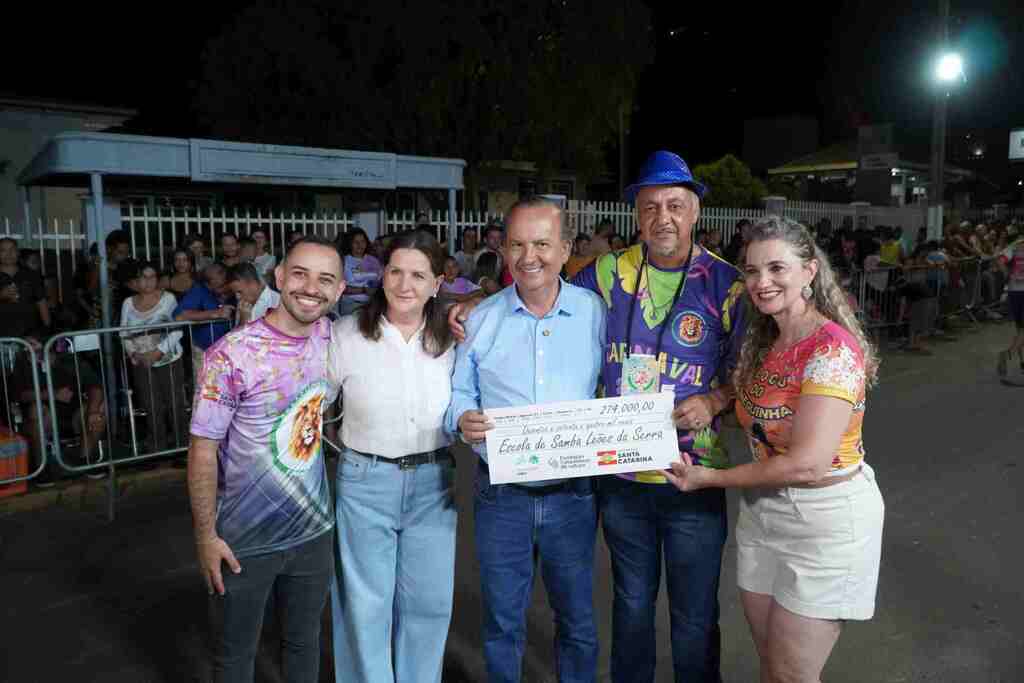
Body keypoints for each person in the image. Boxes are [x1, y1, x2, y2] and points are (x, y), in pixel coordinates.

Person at [448, 153, 747, 682]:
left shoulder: (729, 285)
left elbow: (751, 369)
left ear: (696, 210)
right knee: (630, 609)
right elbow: (538, 288)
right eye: (650, 206)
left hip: (694, 476)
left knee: (695, 616)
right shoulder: (606, 274)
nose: (663, 218)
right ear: (636, 213)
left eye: (675, 205)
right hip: (621, 477)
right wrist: (477, 299)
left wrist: (717, 400)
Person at [664, 215, 885, 683]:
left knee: (792, 675)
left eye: (777, 268)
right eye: (752, 270)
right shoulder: (768, 339)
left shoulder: (833, 351)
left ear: (809, 272)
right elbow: (752, 397)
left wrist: (711, 479)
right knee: (773, 667)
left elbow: (807, 465)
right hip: (765, 516)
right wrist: (715, 399)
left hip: (825, 521)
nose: (762, 282)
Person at [445, 197, 606, 683]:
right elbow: (459, 390)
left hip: (573, 495)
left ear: (564, 249)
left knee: (577, 623)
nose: (528, 256)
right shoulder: (481, 318)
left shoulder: (594, 313)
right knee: (502, 624)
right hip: (501, 496)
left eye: (541, 243)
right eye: (517, 244)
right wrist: (461, 418)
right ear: (503, 248)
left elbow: (614, 384)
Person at [187, 235, 345, 683]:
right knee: (236, 656)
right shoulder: (232, 355)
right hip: (243, 541)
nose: (311, 287)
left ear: (338, 290)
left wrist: (463, 307)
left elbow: (403, 321)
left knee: (303, 642)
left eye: (325, 279)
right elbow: (202, 448)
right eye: (299, 274)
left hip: (313, 531)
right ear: (278, 278)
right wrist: (204, 536)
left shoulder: (336, 339)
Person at [326, 229, 457, 683]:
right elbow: (312, 406)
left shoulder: (454, 340)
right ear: (382, 275)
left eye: (419, 275)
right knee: (365, 604)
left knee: (430, 603)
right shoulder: (346, 334)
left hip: (434, 484)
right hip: (364, 480)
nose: (405, 285)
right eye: (396, 271)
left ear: (438, 283)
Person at [10, 337, 107, 486]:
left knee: (99, 409)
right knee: (35, 410)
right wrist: (52, 394)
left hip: (74, 413)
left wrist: (93, 411)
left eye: (33, 344)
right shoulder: (22, 364)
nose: (29, 349)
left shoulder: (68, 361)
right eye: (26, 346)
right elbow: (20, 395)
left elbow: (95, 386)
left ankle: (86, 458)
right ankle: (41, 467)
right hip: (44, 417)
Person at [119, 261, 187, 454]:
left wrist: (157, 352)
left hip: (168, 359)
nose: (149, 282)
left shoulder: (168, 299)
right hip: (141, 361)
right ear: (136, 281)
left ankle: (182, 446)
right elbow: (123, 332)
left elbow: (177, 330)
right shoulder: (128, 303)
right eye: (144, 277)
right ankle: (157, 447)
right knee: (151, 404)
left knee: (174, 402)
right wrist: (134, 353)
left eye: (152, 277)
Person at [174, 264, 235, 386]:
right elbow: (179, 316)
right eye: (220, 274)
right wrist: (215, 313)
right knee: (206, 390)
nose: (224, 278)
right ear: (208, 281)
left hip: (230, 352)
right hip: (205, 351)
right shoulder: (199, 290)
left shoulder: (229, 289)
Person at [0, 237, 50, 337]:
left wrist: (47, 330)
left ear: (18, 252)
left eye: (12, 250)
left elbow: (42, 303)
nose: (8, 254)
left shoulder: (31, 275)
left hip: (29, 334)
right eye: (3, 250)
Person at [337, 228, 382, 317]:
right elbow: (339, 287)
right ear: (349, 244)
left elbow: (380, 282)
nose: (359, 245)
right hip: (351, 304)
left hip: (371, 304)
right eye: (355, 242)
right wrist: (364, 290)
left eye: (362, 241)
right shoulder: (343, 261)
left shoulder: (374, 261)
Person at [996, 236, 1024, 379]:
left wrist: (1007, 274)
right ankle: (1007, 355)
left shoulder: (1015, 245)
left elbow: (1000, 260)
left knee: (1020, 330)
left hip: (1014, 291)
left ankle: (1022, 361)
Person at [226, 262, 280, 326]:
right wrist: (243, 319)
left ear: (252, 283)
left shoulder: (277, 301)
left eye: (239, 292)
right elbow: (238, 334)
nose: (237, 297)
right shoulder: (242, 305)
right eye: (235, 293)